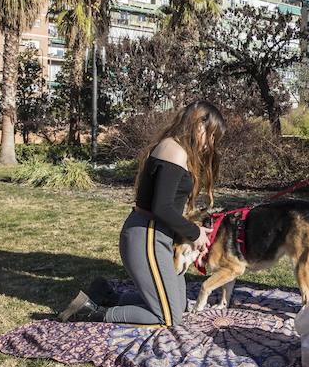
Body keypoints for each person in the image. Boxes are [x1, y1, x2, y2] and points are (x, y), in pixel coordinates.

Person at [58, 100, 225, 326]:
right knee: (168, 317)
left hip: (157, 236)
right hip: (146, 236)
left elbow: (168, 208)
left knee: (179, 304)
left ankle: (108, 296)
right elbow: (161, 207)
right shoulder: (173, 150)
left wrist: (189, 233)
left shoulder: (177, 149)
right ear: (198, 125)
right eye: (211, 135)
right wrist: (194, 233)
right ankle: (90, 313)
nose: (211, 143)